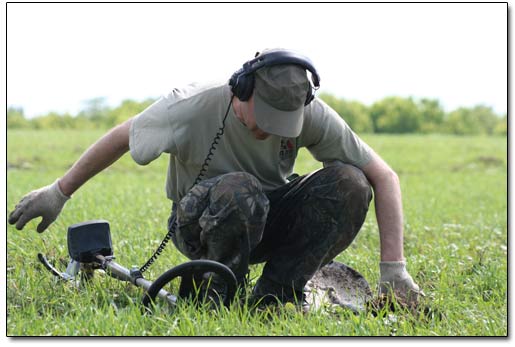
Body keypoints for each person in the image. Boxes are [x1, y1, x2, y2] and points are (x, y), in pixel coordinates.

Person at [8, 48, 422, 308]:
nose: (271, 131)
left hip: (269, 214)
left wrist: (393, 270)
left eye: (283, 124)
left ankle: (275, 295)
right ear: (241, 89)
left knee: (350, 182)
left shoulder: (309, 113)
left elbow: (383, 176)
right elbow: (122, 137)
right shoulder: (189, 104)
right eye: (263, 120)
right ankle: (217, 292)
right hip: (201, 221)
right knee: (240, 189)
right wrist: (59, 191)